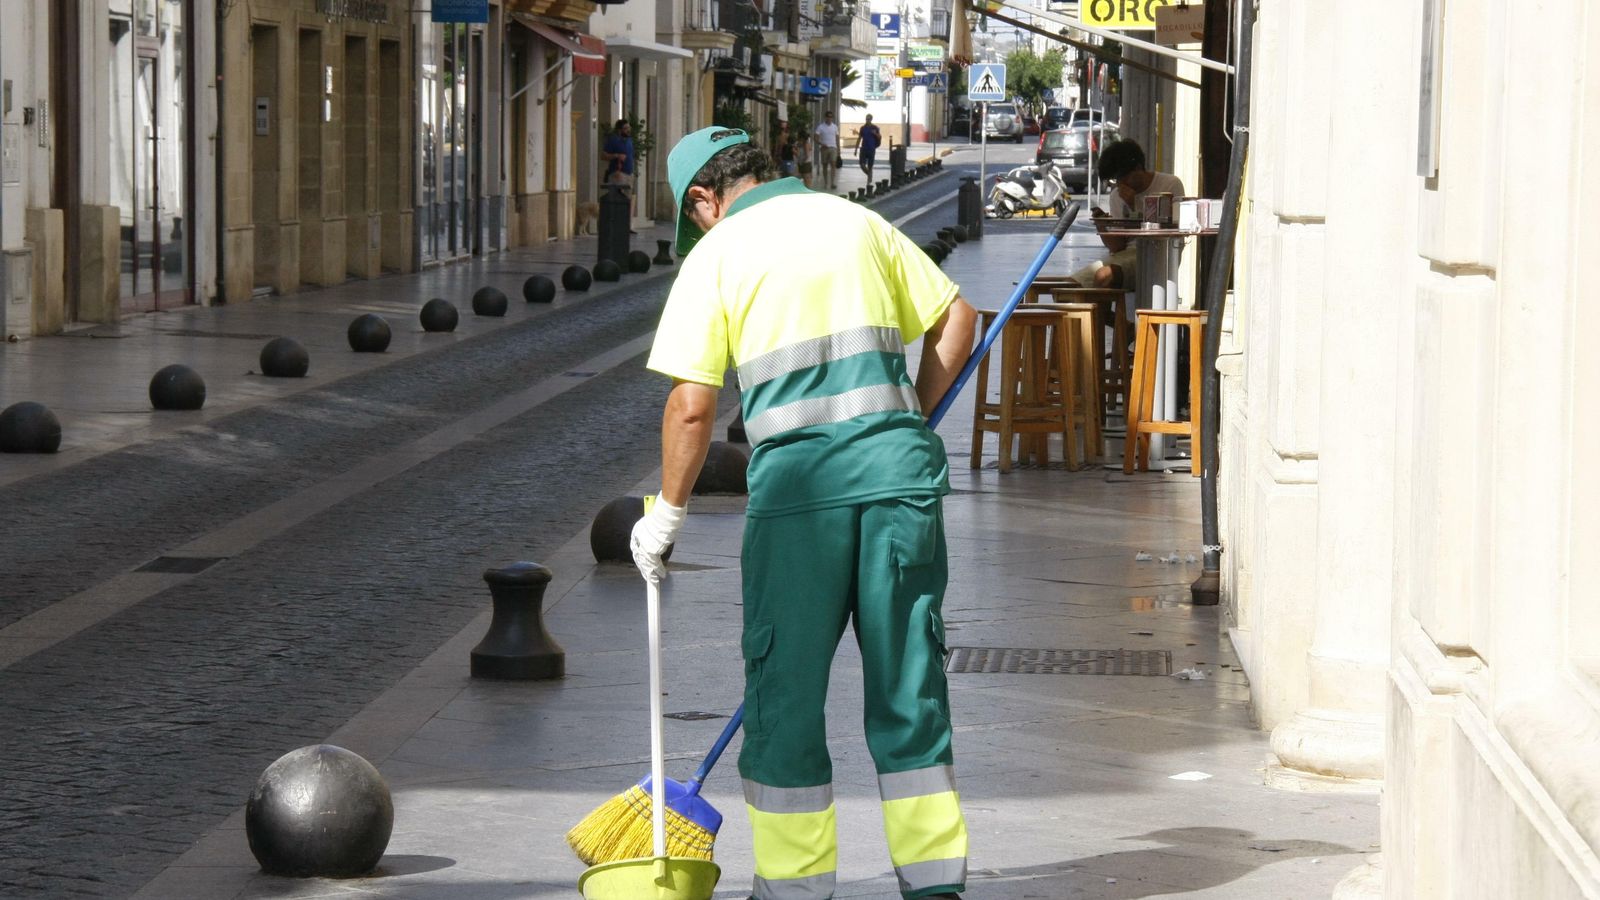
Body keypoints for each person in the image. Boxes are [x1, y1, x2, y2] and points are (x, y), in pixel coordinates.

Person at [631, 125, 977, 900]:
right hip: (898, 486)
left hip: (798, 501)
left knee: (785, 696)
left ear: (703, 200)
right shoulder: (858, 222)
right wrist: (908, 419)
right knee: (909, 688)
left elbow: (692, 406)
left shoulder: (716, 254)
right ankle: (933, 885)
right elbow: (959, 320)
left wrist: (666, 516)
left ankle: (792, 887)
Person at [1065, 138, 1185, 289]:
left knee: (1104, 276)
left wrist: (1134, 205)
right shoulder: (1116, 195)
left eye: (1123, 177)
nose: (1121, 184)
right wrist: (1102, 226)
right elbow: (1117, 248)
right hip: (1126, 255)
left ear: (1138, 168)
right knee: (1071, 285)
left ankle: (1104, 313)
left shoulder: (1170, 184)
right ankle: (1101, 313)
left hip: (1158, 253)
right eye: (1116, 180)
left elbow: (1171, 230)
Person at [813, 110, 840, 191]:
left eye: (831, 117)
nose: (829, 118)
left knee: (833, 165)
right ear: (825, 117)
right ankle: (825, 183)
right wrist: (821, 143)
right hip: (824, 148)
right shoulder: (821, 127)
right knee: (824, 166)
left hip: (833, 148)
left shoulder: (835, 127)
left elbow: (837, 138)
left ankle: (832, 183)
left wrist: (839, 149)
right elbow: (815, 137)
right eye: (828, 116)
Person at [857, 114, 882, 178]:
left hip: (871, 148)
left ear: (871, 119)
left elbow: (879, 137)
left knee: (870, 166)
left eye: (868, 119)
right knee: (862, 165)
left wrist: (875, 133)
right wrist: (856, 148)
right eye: (866, 119)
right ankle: (869, 174)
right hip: (864, 148)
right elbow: (859, 138)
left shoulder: (875, 127)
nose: (867, 120)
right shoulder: (862, 128)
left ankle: (869, 182)